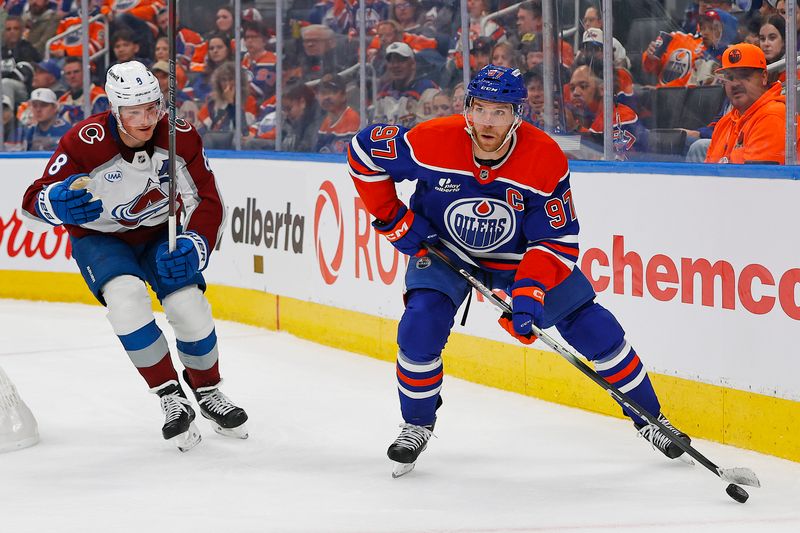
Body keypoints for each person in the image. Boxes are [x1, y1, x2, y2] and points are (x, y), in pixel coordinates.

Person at [347, 64, 691, 475]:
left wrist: (529, 292)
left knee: (595, 328)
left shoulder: (543, 157)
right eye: (480, 109)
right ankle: (416, 424)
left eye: (500, 112)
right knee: (420, 325)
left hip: (520, 257)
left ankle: (652, 419)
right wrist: (392, 218)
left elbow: (556, 242)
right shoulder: (431, 140)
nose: (487, 122)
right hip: (445, 249)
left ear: (517, 114)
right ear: (468, 108)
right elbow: (364, 151)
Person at [20, 61, 248, 451]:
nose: (145, 119)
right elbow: (31, 201)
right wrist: (55, 203)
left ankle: (207, 391)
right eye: (134, 111)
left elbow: (207, 199)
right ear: (114, 109)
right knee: (126, 302)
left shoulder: (180, 137)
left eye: (152, 107)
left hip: (163, 231)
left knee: (190, 306)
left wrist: (196, 244)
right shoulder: (83, 140)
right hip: (102, 238)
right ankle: (169, 395)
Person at [705, 43, 788, 164]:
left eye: (743, 75)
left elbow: (756, 179)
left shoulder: (773, 116)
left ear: (764, 77)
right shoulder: (724, 123)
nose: (735, 84)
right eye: (729, 77)